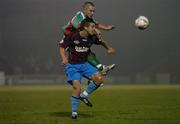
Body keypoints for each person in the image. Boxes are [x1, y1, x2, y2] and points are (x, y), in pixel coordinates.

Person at [59, 18, 110, 119]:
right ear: (85, 27)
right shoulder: (73, 36)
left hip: (85, 64)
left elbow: (101, 42)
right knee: (77, 88)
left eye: (94, 27)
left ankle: (84, 95)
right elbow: (61, 46)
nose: (94, 28)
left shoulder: (92, 37)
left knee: (99, 79)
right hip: (73, 66)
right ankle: (74, 113)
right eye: (92, 27)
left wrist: (108, 48)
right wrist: (64, 58)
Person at [60, 1, 115, 75]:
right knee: (84, 53)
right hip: (70, 38)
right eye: (90, 11)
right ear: (84, 10)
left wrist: (107, 28)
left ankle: (99, 70)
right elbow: (78, 25)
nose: (92, 13)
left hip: (78, 38)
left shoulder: (88, 19)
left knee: (88, 52)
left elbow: (95, 24)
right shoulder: (79, 15)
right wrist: (95, 30)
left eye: (93, 11)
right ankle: (99, 69)